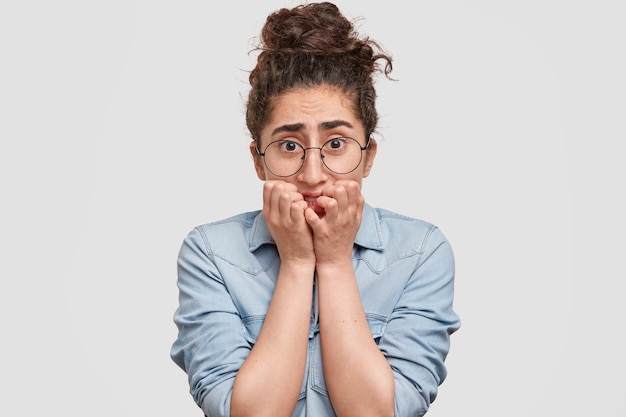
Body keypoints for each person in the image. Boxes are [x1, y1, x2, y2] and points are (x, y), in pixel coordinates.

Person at [170, 2, 460, 416]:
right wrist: (297, 261)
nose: (312, 174)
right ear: (258, 159)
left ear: (368, 155)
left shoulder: (421, 252)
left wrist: (336, 262)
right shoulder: (211, 253)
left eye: (336, 143)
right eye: (289, 145)